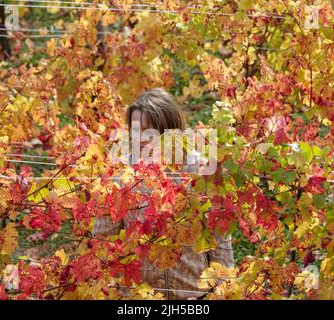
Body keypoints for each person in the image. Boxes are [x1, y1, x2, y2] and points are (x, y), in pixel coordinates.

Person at [94, 88, 234, 299]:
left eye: (149, 131)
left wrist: (222, 290)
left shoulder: (200, 170)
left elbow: (220, 239)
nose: (141, 139)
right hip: (138, 296)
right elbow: (104, 240)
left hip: (194, 295)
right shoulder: (120, 174)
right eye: (135, 130)